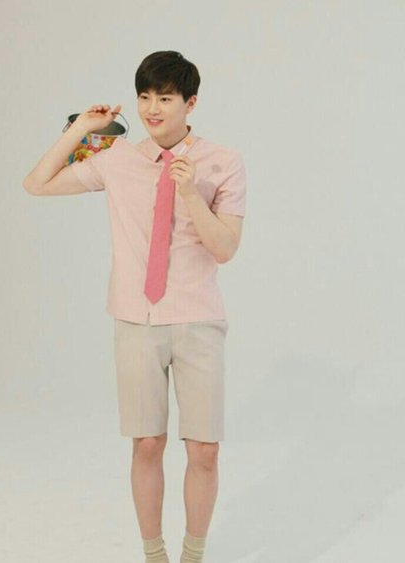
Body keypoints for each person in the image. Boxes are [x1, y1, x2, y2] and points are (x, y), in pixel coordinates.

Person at [23, 50, 246, 563]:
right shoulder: (117, 159)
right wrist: (82, 129)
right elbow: (36, 184)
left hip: (198, 320)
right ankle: (154, 554)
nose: (151, 109)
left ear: (190, 103)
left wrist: (191, 193)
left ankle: (193, 555)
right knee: (146, 444)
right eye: (145, 97)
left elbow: (225, 249)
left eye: (165, 98)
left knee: (204, 450)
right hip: (136, 320)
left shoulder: (223, 162)